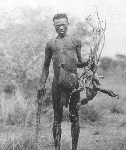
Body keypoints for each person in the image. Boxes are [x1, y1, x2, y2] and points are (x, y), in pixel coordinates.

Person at [38, 13, 88, 150]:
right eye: (58, 25)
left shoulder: (75, 41)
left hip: (73, 84)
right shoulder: (51, 44)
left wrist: (89, 63)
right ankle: (57, 148)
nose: (61, 27)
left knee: (74, 117)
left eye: (63, 25)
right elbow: (46, 66)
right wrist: (41, 84)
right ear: (54, 26)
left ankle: (74, 148)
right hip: (57, 84)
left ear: (68, 24)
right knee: (57, 118)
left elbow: (79, 62)